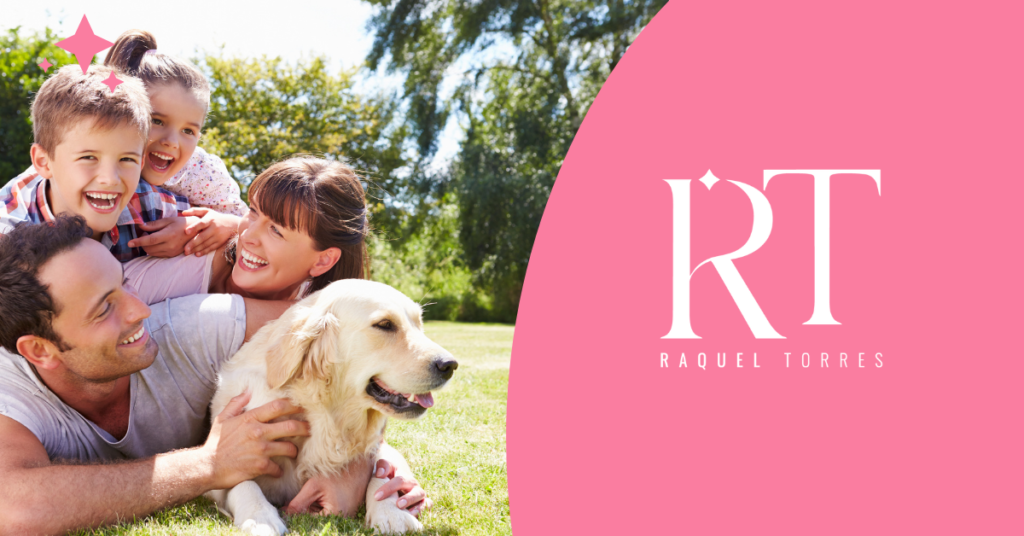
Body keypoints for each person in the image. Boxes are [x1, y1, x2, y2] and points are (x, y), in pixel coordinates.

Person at [0, 216, 428, 533]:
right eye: (105, 308)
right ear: (40, 350)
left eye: (124, 285)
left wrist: (363, 461)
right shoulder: (10, 391)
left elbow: (351, 341)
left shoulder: (200, 326)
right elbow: (13, 509)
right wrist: (208, 465)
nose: (140, 309)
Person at [0, 64, 191, 260]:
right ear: (44, 162)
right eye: (88, 157)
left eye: (127, 159)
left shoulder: (150, 205)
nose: (110, 179)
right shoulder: (9, 236)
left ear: (141, 162)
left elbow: (214, 230)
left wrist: (219, 228)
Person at [124, 156, 370, 305]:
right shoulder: (189, 261)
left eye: (276, 230)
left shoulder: (323, 328)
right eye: (253, 211)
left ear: (323, 260)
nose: (247, 235)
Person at [104, 29, 248, 258]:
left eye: (188, 130)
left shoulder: (201, 171)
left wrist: (201, 227)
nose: (171, 142)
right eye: (157, 121)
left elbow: (244, 223)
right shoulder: (94, 153)